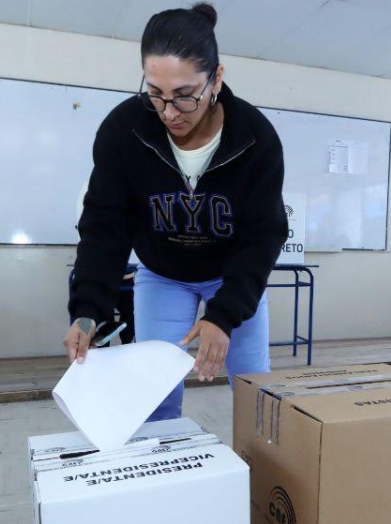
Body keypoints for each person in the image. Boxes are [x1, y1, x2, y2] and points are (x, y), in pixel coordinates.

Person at [65, 3, 288, 421]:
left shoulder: (255, 138)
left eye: (185, 96)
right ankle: (166, 480)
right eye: (155, 94)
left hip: (231, 275)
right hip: (163, 275)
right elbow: (104, 224)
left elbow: (264, 235)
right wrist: (88, 309)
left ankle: (265, 475)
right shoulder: (123, 131)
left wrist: (223, 316)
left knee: (256, 389)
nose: (169, 112)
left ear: (216, 78)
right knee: (154, 391)